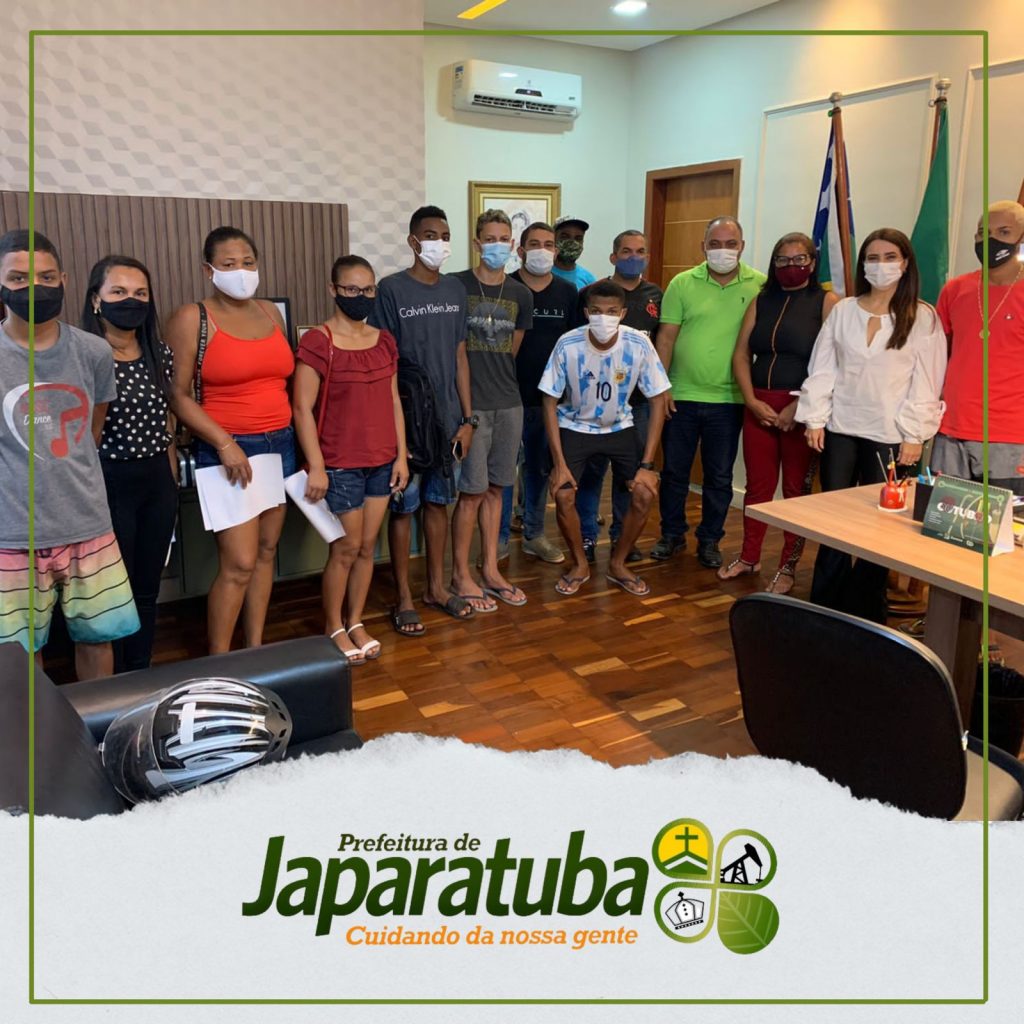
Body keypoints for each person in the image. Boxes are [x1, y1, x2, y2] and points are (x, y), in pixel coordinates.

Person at [0, 229, 139, 678]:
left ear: (63, 279)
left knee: (99, 639)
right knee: (19, 655)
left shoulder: (94, 351)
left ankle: (98, 723)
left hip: (88, 524)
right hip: (11, 535)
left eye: (45, 277)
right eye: (18, 279)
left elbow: (90, 433)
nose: (34, 288)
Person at [796, 227, 947, 623]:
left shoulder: (922, 316)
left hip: (892, 436)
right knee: (834, 519)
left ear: (906, 263)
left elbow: (927, 381)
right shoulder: (844, 310)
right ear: (863, 264)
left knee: (881, 526)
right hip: (841, 429)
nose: (881, 265)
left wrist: (914, 436)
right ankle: (826, 604)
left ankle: (865, 610)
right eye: (873, 258)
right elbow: (824, 367)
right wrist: (815, 418)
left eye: (890, 257)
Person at [165, 226, 295, 654]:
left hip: (280, 444)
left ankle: (254, 649)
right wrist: (223, 443)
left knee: (266, 552)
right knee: (238, 563)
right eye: (229, 264)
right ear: (209, 270)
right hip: (229, 449)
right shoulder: (192, 318)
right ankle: (219, 661)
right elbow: (177, 395)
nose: (241, 271)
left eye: (248, 262)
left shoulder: (270, 312)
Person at [294, 255, 408, 664]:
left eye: (368, 289)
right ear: (334, 290)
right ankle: (334, 625)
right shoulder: (318, 342)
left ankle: (356, 620)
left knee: (367, 548)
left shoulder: (384, 341)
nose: (361, 296)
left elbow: (394, 400)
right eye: (352, 289)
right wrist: (317, 464)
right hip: (340, 462)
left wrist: (401, 456)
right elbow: (301, 408)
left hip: (382, 460)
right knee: (345, 548)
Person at [369, 205, 476, 635]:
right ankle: (404, 597)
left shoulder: (455, 290)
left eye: (445, 235)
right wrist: (395, 432)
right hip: (408, 424)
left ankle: (435, 588)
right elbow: (383, 361)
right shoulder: (391, 290)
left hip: (449, 421)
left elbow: (460, 355)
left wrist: (468, 419)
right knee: (403, 508)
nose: (439, 243)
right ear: (413, 241)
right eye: (431, 235)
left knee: (438, 504)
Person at [719, 232, 839, 594]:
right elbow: (741, 353)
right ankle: (749, 556)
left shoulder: (827, 302)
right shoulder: (762, 299)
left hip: (802, 408)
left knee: (795, 490)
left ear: (812, 263)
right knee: (757, 486)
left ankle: (788, 567)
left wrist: (799, 405)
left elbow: (834, 363)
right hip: (758, 405)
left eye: (799, 259)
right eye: (783, 260)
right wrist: (751, 400)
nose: (791, 266)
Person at [540, 279, 671, 598]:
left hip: (620, 427)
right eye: (597, 311)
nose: (604, 318)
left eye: (612, 311)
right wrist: (559, 463)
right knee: (563, 494)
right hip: (575, 426)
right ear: (586, 313)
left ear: (623, 313)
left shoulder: (639, 343)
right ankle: (579, 564)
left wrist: (647, 465)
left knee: (644, 493)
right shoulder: (568, 343)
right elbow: (549, 400)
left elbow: (658, 400)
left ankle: (618, 563)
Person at [653, 216, 766, 569]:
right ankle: (672, 534)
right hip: (681, 396)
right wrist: (661, 387)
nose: (722, 251)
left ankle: (710, 540)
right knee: (674, 472)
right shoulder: (682, 283)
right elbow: (666, 339)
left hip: (729, 401)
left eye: (730, 244)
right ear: (703, 247)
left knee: (719, 477)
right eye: (715, 244)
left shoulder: (760, 285)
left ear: (742, 247)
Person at [82, 255, 178, 671]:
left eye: (140, 293)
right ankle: (114, 679)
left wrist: (170, 478)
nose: (131, 301)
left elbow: (167, 419)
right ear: (96, 299)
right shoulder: (85, 354)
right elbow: (85, 434)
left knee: (146, 588)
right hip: (108, 482)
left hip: (156, 481)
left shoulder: (159, 352)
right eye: (118, 292)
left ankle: (139, 670)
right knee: (111, 593)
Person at [451, 210, 533, 610]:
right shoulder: (456, 286)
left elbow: (510, 351)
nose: (497, 245)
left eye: (504, 238)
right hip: (473, 406)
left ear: (512, 244)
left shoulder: (521, 294)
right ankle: (460, 573)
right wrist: (466, 414)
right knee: (471, 491)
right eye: (490, 238)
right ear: (477, 242)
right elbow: (456, 352)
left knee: (498, 488)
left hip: (509, 403)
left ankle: (489, 568)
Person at [575, 229, 664, 564]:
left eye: (640, 251)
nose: (633, 257)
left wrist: (661, 388)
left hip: (637, 404)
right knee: (591, 475)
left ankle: (621, 537)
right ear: (613, 256)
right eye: (626, 251)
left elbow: (662, 342)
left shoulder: (656, 296)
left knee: (629, 477)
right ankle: (586, 536)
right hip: (594, 403)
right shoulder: (593, 295)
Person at [931, 200, 1024, 495]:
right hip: (951, 429)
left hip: (1011, 437)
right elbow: (937, 355)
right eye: (983, 232)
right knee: (943, 518)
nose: (990, 240)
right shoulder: (955, 290)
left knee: (1008, 523)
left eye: (1004, 232)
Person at [500, 221, 577, 563]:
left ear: (556, 252)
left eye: (548, 245)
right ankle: (499, 538)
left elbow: (575, 344)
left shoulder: (567, 292)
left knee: (538, 470)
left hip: (549, 400)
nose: (542, 251)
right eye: (534, 244)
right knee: (502, 471)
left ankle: (534, 534)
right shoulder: (506, 287)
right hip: (506, 396)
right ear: (520, 250)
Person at [551, 215, 596, 290]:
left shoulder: (588, 280)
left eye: (578, 238)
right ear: (553, 238)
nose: (572, 242)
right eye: (565, 236)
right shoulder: (541, 273)